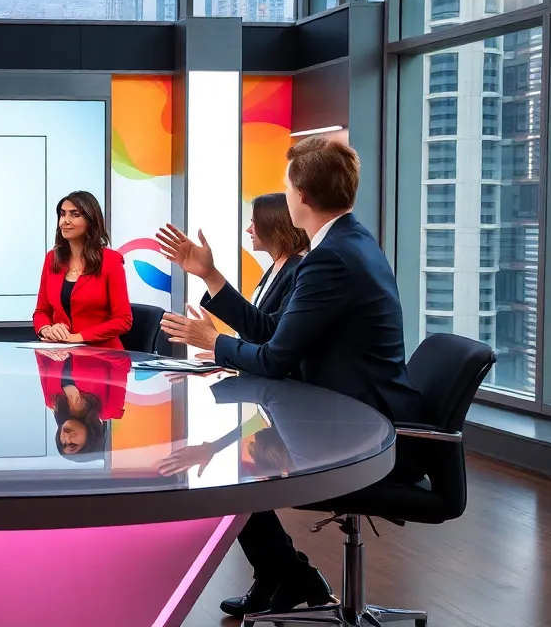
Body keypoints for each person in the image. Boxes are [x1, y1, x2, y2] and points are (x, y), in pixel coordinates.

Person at [157, 136, 424, 619]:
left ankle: (289, 575)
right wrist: (212, 276)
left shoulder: (330, 258)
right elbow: (280, 333)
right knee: (236, 466)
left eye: (287, 186)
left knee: (233, 475)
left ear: (300, 196)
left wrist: (212, 341)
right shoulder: (348, 242)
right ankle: (288, 576)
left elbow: (277, 356)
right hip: (354, 414)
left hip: (365, 434)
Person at [155, 191, 308, 345]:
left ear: (272, 224)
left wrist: (216, 342)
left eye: (254, 223)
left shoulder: (298, 270)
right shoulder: (279, 266)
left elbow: (269, 335)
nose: (249, 230)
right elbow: (257, 330)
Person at [33, 191, 132, 348]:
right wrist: (46, 329)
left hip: (102, 359)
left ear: (90, 221)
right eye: (62, 214)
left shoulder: (111, 261)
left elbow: (123, 320)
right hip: (59, 355)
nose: (65, 221)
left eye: (75, 215)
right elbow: (41, 311)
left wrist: (78, 337)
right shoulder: (52, 258)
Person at [34, 347, 130, 458]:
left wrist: (47, 349)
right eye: (72, 444)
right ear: (90, 440)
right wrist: (77, 349)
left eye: (62, 443)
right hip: (96, 336)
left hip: (60, 334)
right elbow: (121, 361)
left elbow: (42, 359)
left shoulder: (52, 401)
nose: (66, 438)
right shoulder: (109, 409)